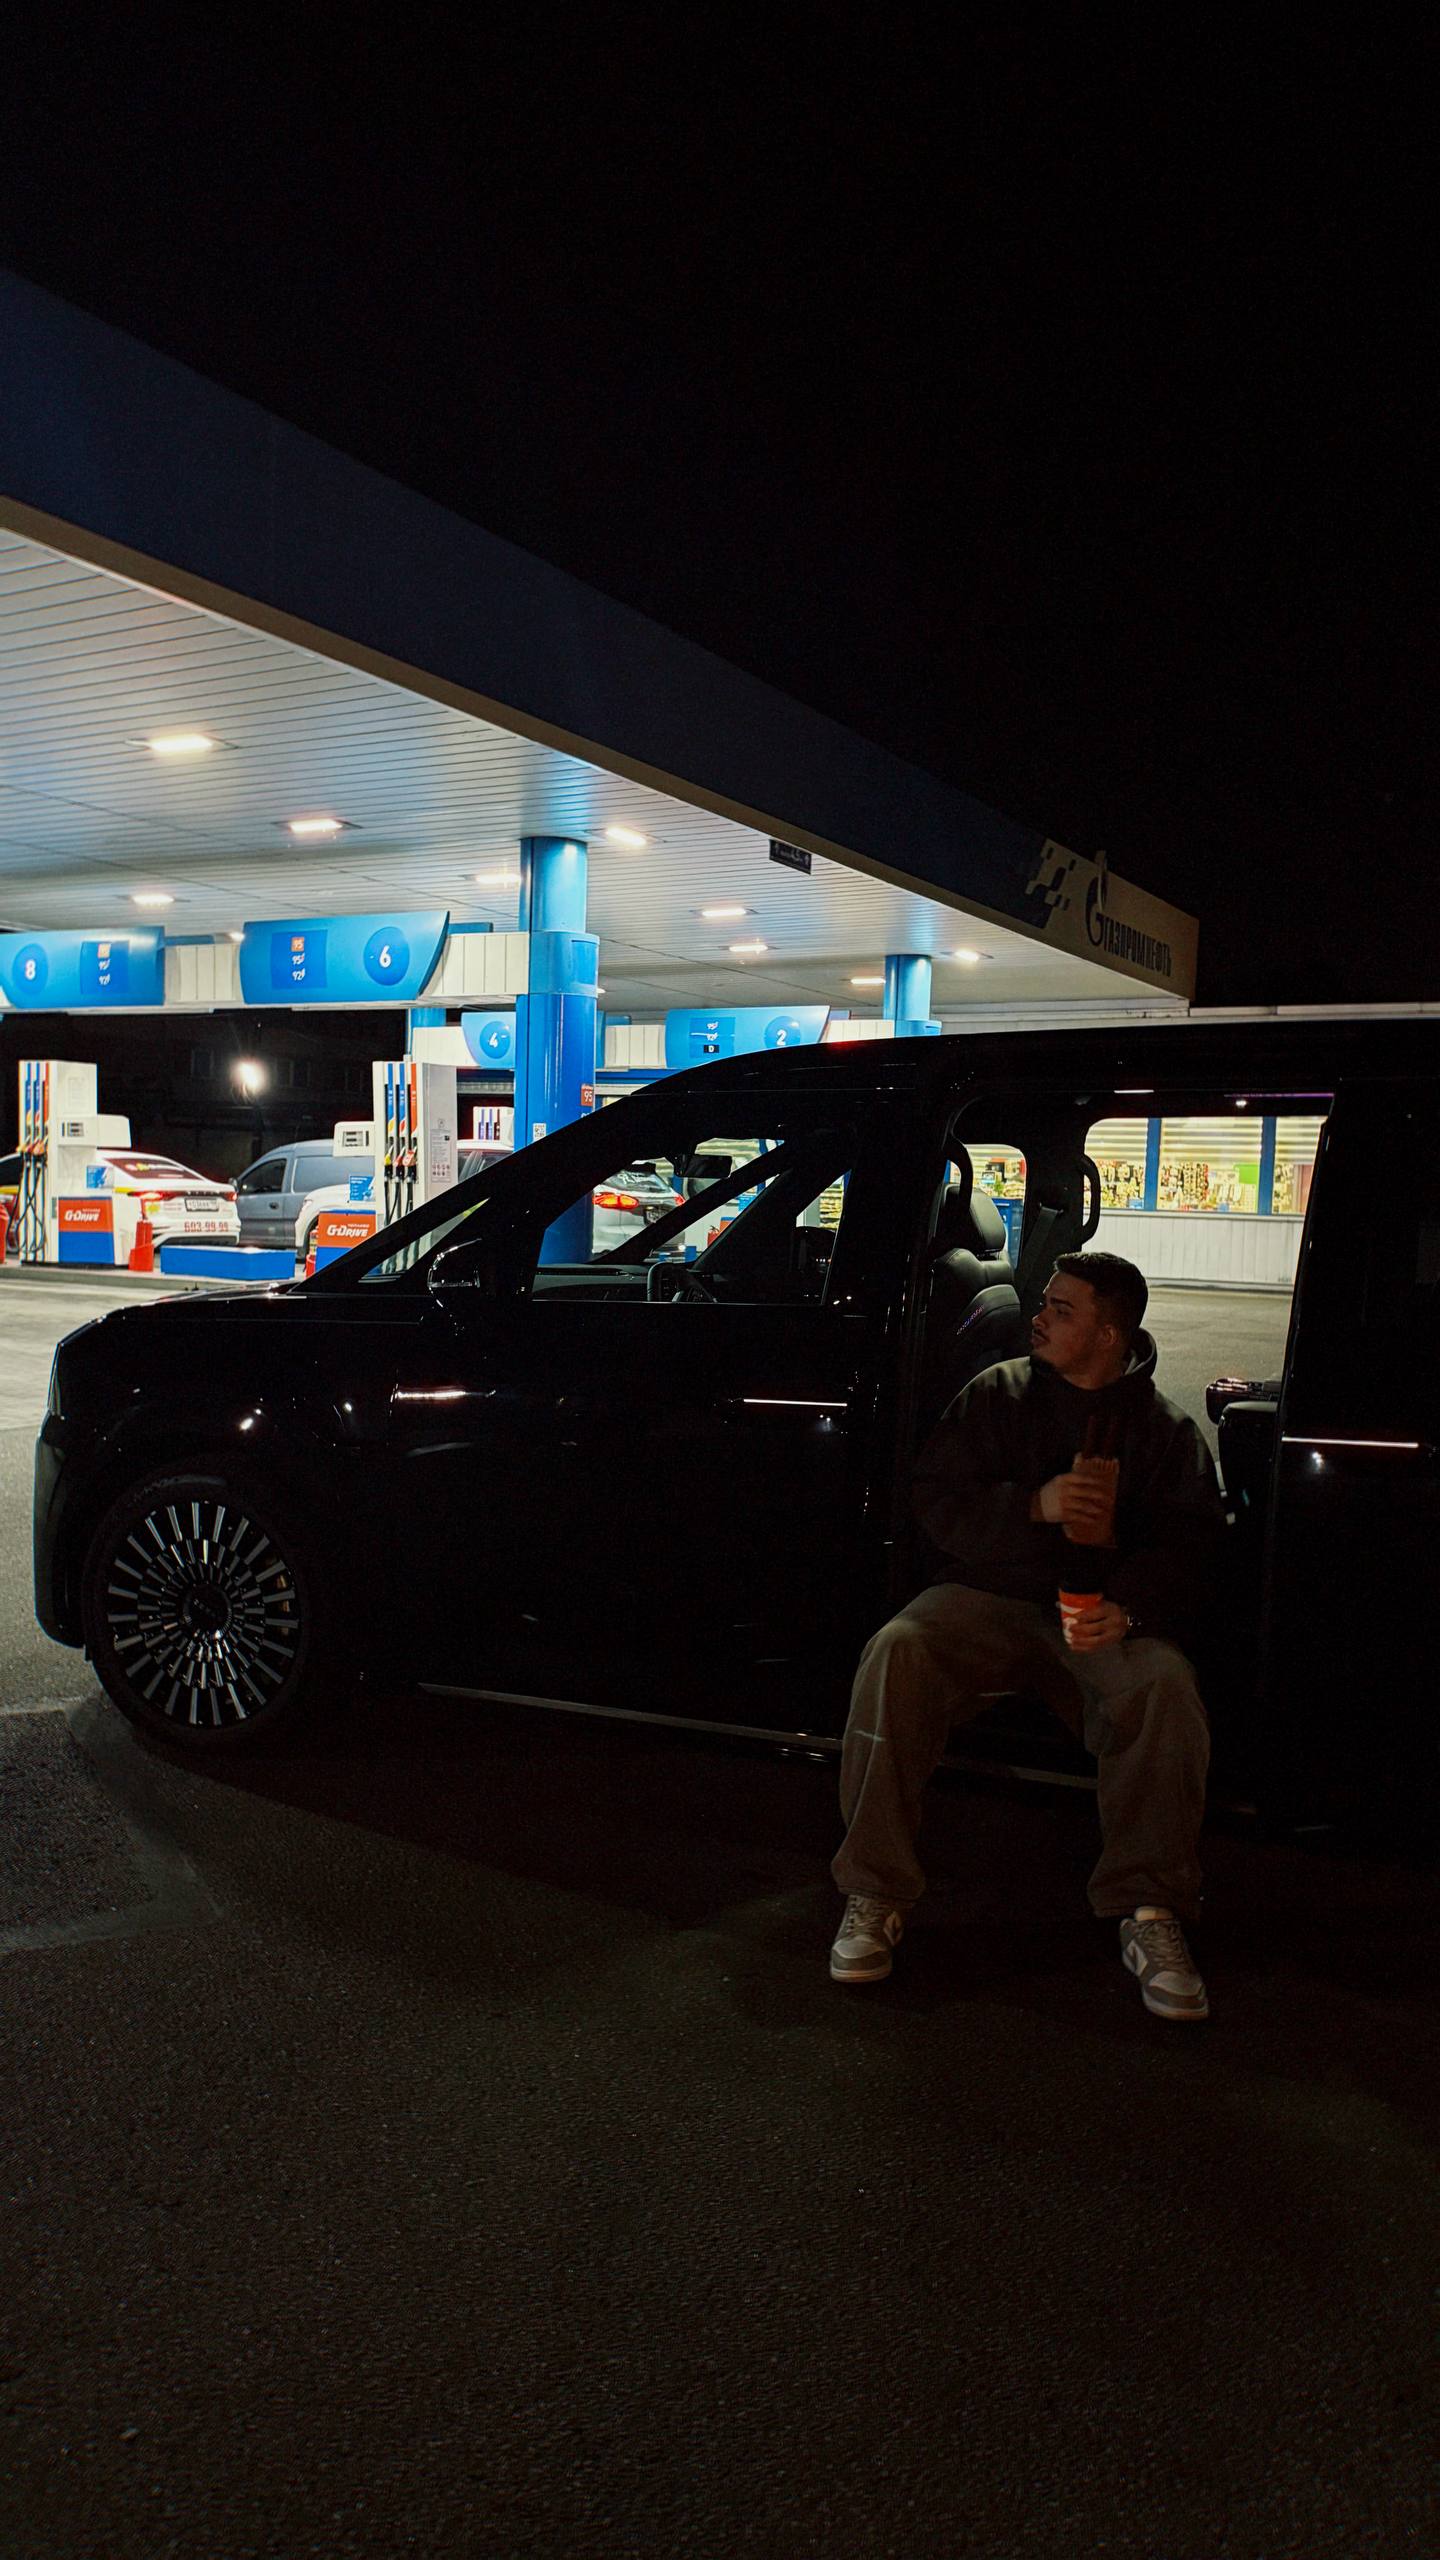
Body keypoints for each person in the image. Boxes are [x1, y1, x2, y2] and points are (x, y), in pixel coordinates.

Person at [830, 1251, 1224, 2021]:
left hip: (1095, 1615)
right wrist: (1031, 1507)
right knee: (898, 1651)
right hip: (989, 1596)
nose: (1037, 1318)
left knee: (1165, 1687)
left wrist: (1131, 1610)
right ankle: (874, 1890)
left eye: (1061, 1309)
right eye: (1044, 1302)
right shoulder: (997, 1394)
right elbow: (935, 1499)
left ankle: (1149, 1908)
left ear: (1108, 1335)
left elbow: (1195, 1549)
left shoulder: (1164, 1431)